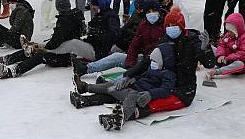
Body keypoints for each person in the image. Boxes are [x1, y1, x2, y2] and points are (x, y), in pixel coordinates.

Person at [71, 7, 216, 131]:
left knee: (144, 103)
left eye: (174, 25)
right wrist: (129, 75)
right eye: (169, 25)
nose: (171, 28)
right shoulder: (166, 39)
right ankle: (85, 99)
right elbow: (148, 60)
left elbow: (209, 63)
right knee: (120, 90)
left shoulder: (193, 40)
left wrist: (206, 49)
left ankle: (119, 118)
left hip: (181, 90)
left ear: (181, 26)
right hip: (157, 82)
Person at [0, 0, 84, 79]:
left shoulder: (65, 21)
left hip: (64, 56)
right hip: (67, 52)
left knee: (39, 55)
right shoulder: (73, 16)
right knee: (31, 49)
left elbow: (54, 43)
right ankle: (6, 59)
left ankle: (13, 71)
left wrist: (38, 48)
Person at [72, 0, 164, 76]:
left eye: (154, 11)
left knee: (115, 57)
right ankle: (87, 66)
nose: (151, 14)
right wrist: (130, 63)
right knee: (114, 54)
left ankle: (87, 68)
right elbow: (134, 44)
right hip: (132, 49)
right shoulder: (143, 23)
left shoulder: (164, 24)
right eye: (148, 11)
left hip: (153, 60)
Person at [38, 0, 120, 61]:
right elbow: (90, 29)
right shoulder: (100, 15)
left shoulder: (111, 17)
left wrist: (97, 35)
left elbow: (114, 35)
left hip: (101, 52)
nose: (91, 8)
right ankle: (46, 50)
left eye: (94, 5)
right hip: (95, 47)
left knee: (73, 43)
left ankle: (48, 52)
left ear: (101, 4)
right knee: (71, 42)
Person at [206, 13, 245, 80]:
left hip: (235, 61)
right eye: (228, 30)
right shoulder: (228, 35)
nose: (229, 33)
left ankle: (217, 71)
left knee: (240, 64)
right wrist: (221, 55)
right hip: (224, 59)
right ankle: (201, 60)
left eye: (231, 31)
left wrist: (227, 58)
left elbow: (244, 54)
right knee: (210, 48)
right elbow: (221, 45)